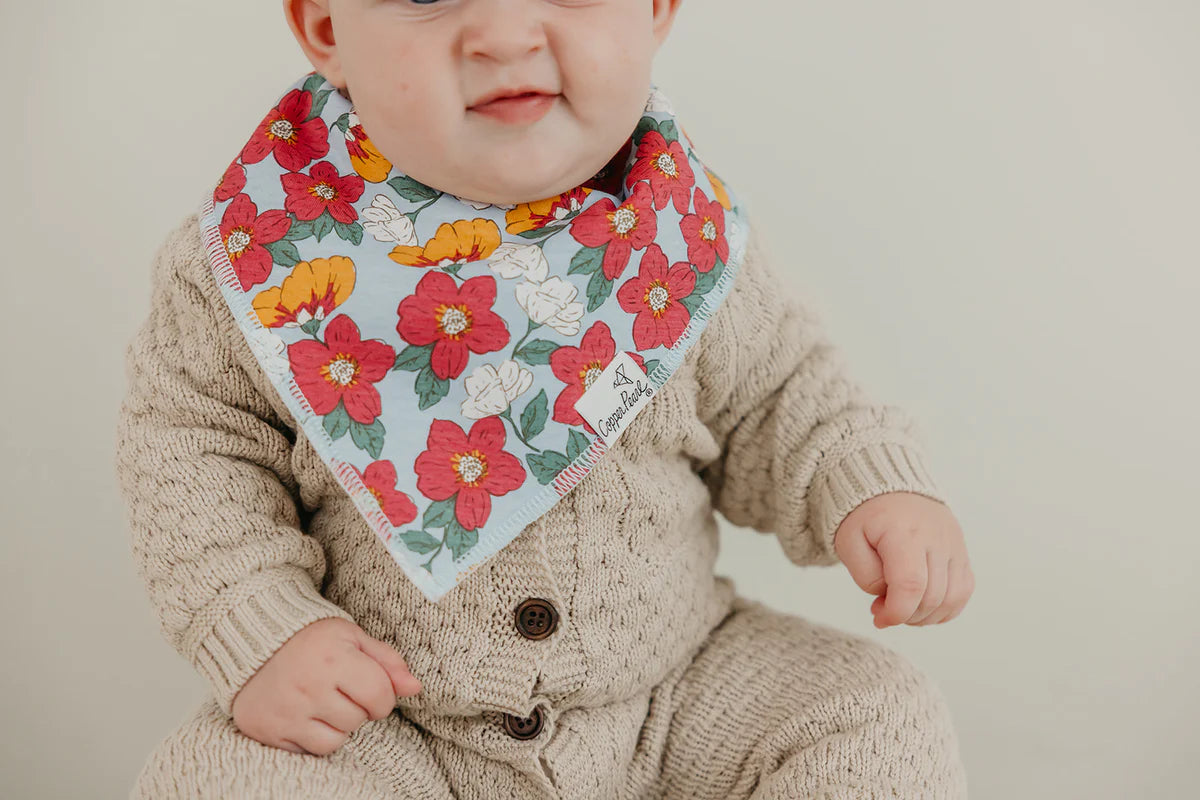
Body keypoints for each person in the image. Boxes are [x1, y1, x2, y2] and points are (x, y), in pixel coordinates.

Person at [114, 0, 975, 797]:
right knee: (210, 780)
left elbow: (784, 395)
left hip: (673, 694)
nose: (504, 34)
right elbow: (191, 447)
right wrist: (260, 624)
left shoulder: (680, 232)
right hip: (391, 720)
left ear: (657, 9)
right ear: (328, 28)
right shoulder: (258, 255)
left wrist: (867, 482)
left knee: (876, 715)